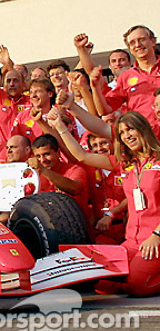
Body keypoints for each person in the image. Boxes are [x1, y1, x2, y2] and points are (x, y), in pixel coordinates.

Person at [50, 110, 160, 296]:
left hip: (156, 239)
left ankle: (135, 280)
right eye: (122, 133)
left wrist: (157, 235)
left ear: (143, 129)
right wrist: (60, 127)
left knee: (137, 286)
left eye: (130, 129)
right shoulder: (124, 162)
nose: (126, 136)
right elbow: (82, 156)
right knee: (99, 282)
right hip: (132, 241)